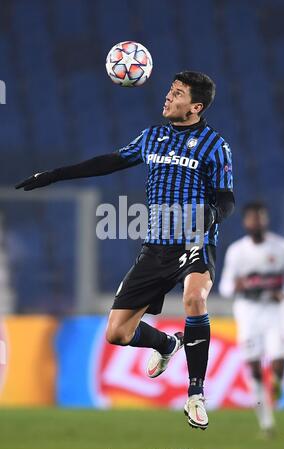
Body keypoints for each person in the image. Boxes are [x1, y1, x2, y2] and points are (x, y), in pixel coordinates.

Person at [16, 71, 235, 429]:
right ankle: (167, 345)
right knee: (117, 333)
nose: (167, 96)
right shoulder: (152, 137)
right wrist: (55, 174)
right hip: (156, 247)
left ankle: (195, 394)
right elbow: (110, 162)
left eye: (177, 93)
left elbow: (227, 199)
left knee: (196, 299)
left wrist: (210, 215)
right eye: (169, 89)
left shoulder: (214, 145)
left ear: (195, 106)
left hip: (195, 239)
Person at [219, 201, 284, 435]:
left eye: (260, 218)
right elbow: (224, 286)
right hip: (249, 312)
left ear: (266, 220)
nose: (257, 222)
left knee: (278, 363)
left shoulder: (282, 247)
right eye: (253, 218)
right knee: (253, 368)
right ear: (246, 222)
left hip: (276, 311)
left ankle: (275, 388)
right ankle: (266, 422)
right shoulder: (237, 251)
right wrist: (238, 285)